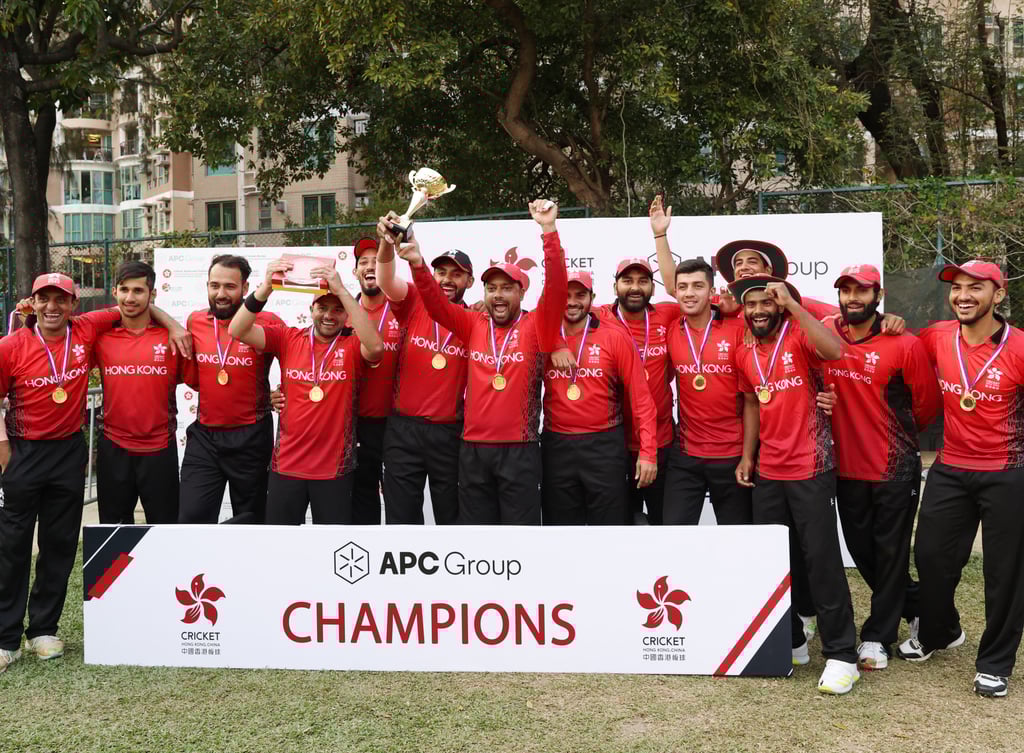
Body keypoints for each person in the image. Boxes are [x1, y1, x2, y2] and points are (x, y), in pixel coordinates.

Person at [0, 273, 189, 673]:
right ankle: (5, 637)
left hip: (69, 452)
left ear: (73, 306)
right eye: (44, 299)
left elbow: (135, 304)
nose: (53, 307)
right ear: (31, 303)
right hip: (23, 452)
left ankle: (44, 630)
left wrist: (172, 324)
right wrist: (4, 451)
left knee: (59, 542)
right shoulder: (10, 346)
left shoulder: (86, 329)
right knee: (12, 545)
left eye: (61, 300)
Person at [898, 260, 1024, 699]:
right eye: (957, 288)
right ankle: (940, 631)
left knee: (1004, 573)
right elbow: (889, 344)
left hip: (1008, 472)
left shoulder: (1020, 348)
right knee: (932, 557)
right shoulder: (936, 336)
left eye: (976, 287)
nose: (963, 295)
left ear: (999, 294)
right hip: (951, 467)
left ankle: (995, 662)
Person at [397, 200, 567, 524]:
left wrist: (548, 230)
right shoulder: (471, 323)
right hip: (473, 450)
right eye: (491, 289)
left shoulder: (536, 325)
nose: (498, 295)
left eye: (507, 288)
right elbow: (434, 304)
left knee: (520, 541)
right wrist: (418, 264)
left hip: (520, 449)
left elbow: (557, 287)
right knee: (476, 541)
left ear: (521, 292)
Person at [730, 274, 860, 695]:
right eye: (750, 305)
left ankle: (842, 655)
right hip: (769, 472)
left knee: (822, 562)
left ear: (781, 304)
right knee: (773, 565)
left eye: (766, 302)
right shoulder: (744, 350)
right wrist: (749, 455)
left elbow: (835, 349)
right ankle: (790, 641)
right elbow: (752, 401)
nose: (758, 310)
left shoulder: (799, 337)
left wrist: (794, 306)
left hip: (811, 468)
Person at [823, 264, 940, 671]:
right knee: (862, 551)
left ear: (879, 294)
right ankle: (929, 610)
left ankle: (877, 636)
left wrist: (899, 438)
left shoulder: (903, 343)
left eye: (863, 291)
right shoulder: (824, 333)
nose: (854, 297)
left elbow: (925, 404)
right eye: (846, 290)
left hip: (894, 467)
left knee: (890, 554)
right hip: (844, 468)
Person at [228, 258, 383, 524]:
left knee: (332, 550)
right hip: (287, 466)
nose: (329, 316)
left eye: (337, 310)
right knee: (280, 546)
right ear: (311, 309)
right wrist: (265, 287)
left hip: (334, 470)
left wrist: (344, 292)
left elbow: (377, 347)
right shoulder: (288, 338)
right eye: (323, 307)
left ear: (347, 315)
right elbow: (237, 329)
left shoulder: (353, 345)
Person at [373, 217, 473, 525]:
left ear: (469, 282)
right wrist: (386, 244)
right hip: (404, 430)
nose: (446, 279)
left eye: (457, 275)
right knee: (402, 519)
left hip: (450, 431)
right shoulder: (415, 298)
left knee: (451, 519)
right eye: (441, 271)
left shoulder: (476, 321)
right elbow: (386, 280)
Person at [541, 270, 658, 524]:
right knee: (560, 532)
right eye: (566, 296)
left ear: (592, 297)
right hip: (557, 446)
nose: (572, 302)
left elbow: (641, 400)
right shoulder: (542, 336)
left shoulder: (614, 337)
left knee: (610, 530)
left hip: (604, 447)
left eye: (580, 295)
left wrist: (648, 452)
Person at [178, 254, 285, 524]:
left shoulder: (268, 321)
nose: (221, 294)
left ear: (246, 288)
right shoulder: (195, 321)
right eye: (214, 286)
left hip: (251, 437)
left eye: (229, 286)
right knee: (191, 518)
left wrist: (283, 393)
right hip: (205, 437)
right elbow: (194, 379)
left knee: (250, 520)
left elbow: (298, 362)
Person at [93, 261, 186, 524]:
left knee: (165, 530)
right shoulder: (101, 338)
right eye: (124, 290)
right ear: (114, 292)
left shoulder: (173, 339)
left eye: (138, 291)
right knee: (114, 533)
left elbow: (203, 382)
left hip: (159, 448)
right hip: (114, 447)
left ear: (152, 294)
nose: (130, 298)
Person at [351, 237, 403, 524]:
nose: (370, 267)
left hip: (398, 422)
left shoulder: (404, 308)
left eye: (376, 261)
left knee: (399, 500)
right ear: (355, 272)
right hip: (356, 422)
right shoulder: (342, 312)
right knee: (362, 498)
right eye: (363, 262)